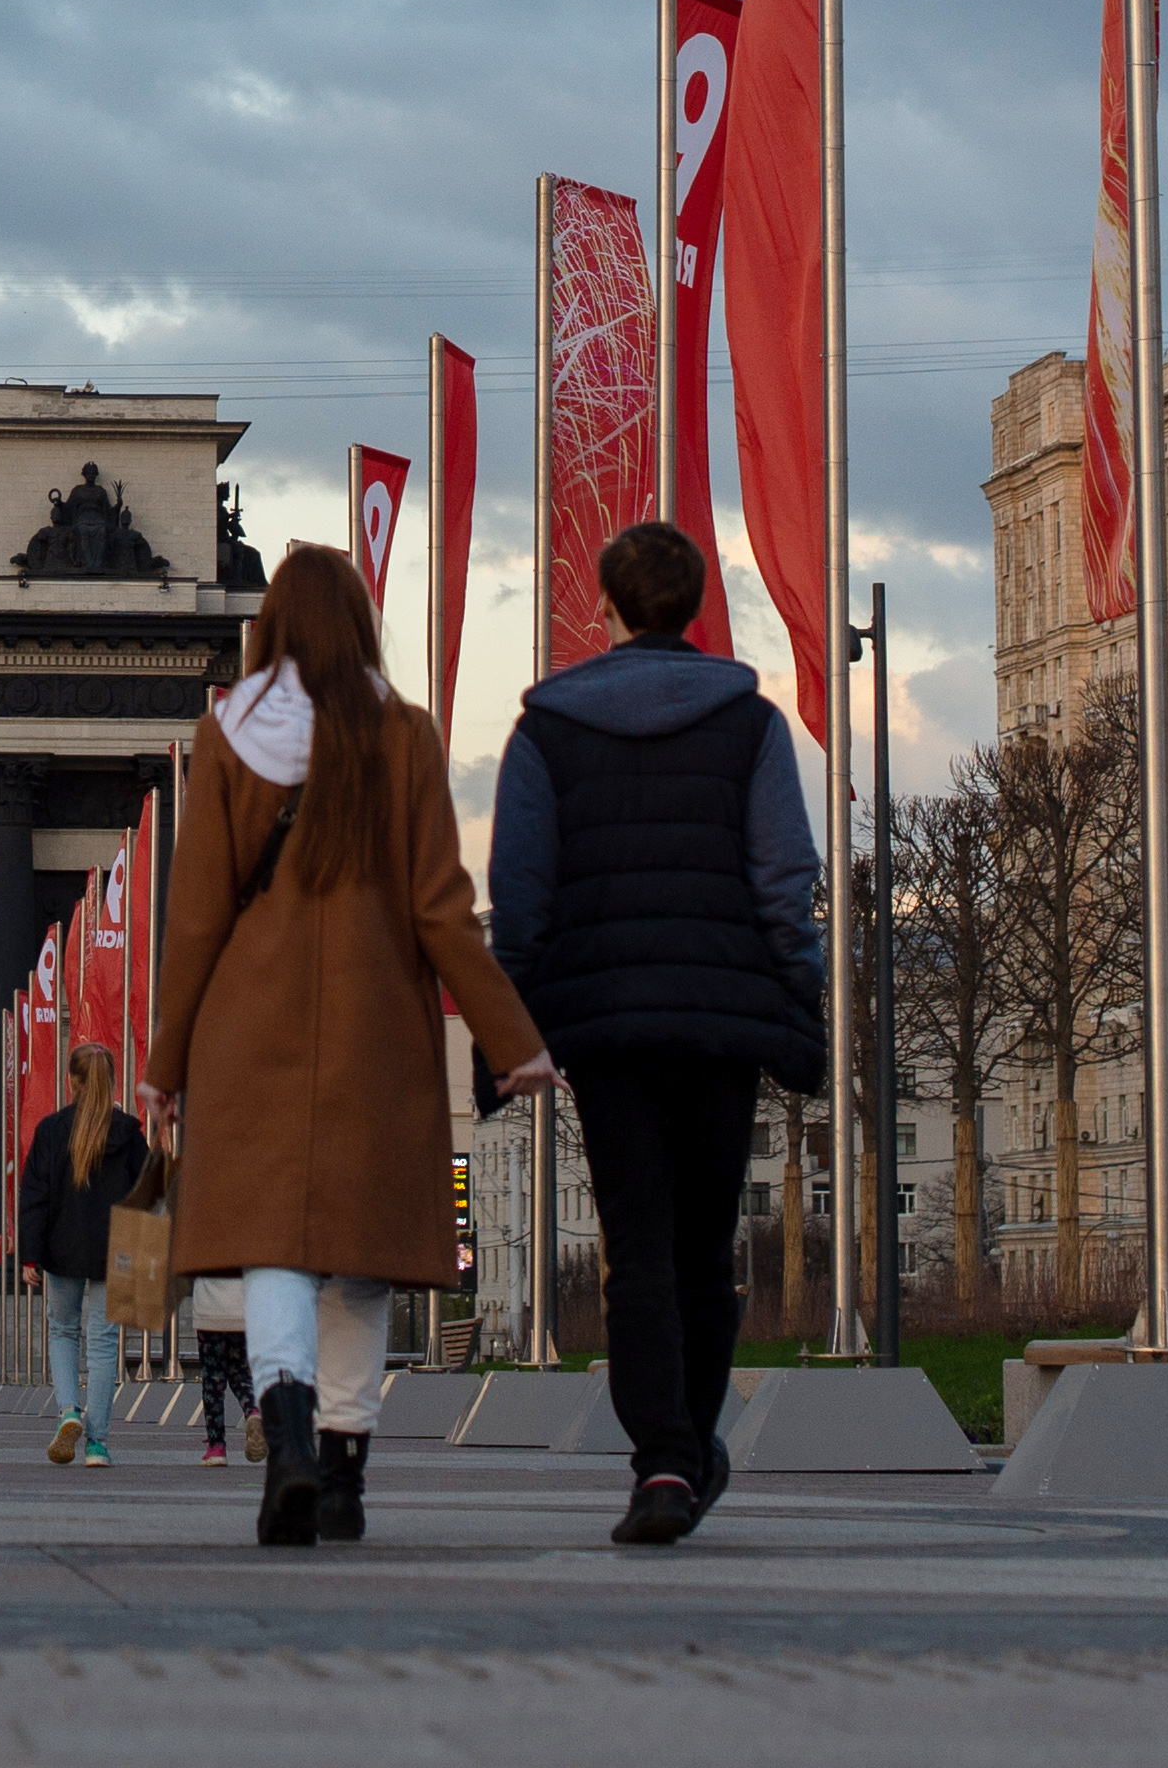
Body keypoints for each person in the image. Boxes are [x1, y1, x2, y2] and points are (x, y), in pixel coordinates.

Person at [150, 540, 552, 1549]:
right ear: (362, 623)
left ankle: (280, 1433)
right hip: (375, 1023)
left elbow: (194, 918)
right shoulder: (404, 736)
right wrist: (512, 1038)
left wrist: (162, 1065)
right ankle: (341, 1471)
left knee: (273, 1251)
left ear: (269, 626)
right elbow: (442, 911)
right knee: (359, 1260)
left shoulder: (227, 734)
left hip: (250, 1026)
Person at [488, 518, 831, 1549]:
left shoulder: (542, 729)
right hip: (719, 1019)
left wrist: (506, 1021)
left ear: (603, 606)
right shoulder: (751, 722)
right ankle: (692, 1438)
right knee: (701, 1244)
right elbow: (783, 881)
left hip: (606, 1025)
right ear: (694, 607)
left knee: (633, 1244)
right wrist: (798, 998)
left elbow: (519, 895)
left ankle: (664, 1460)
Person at [13, 1040, 152, 1467]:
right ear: (112, 1080)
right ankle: (97, 1444)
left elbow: (33, 1195)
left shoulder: (52, 1130)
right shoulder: (129, 1132)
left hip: (62, 1248)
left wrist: (30, 1255)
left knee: (63, 1331)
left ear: (71, 1081)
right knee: (104, 1344)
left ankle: (70, 1411)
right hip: (116, 1251)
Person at [186, 1273, 255, 1468]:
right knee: (240, 1371)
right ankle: (253, 1411)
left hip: (209, 1310)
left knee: (213, 1379)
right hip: (241, 1307)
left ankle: (217, 1446)